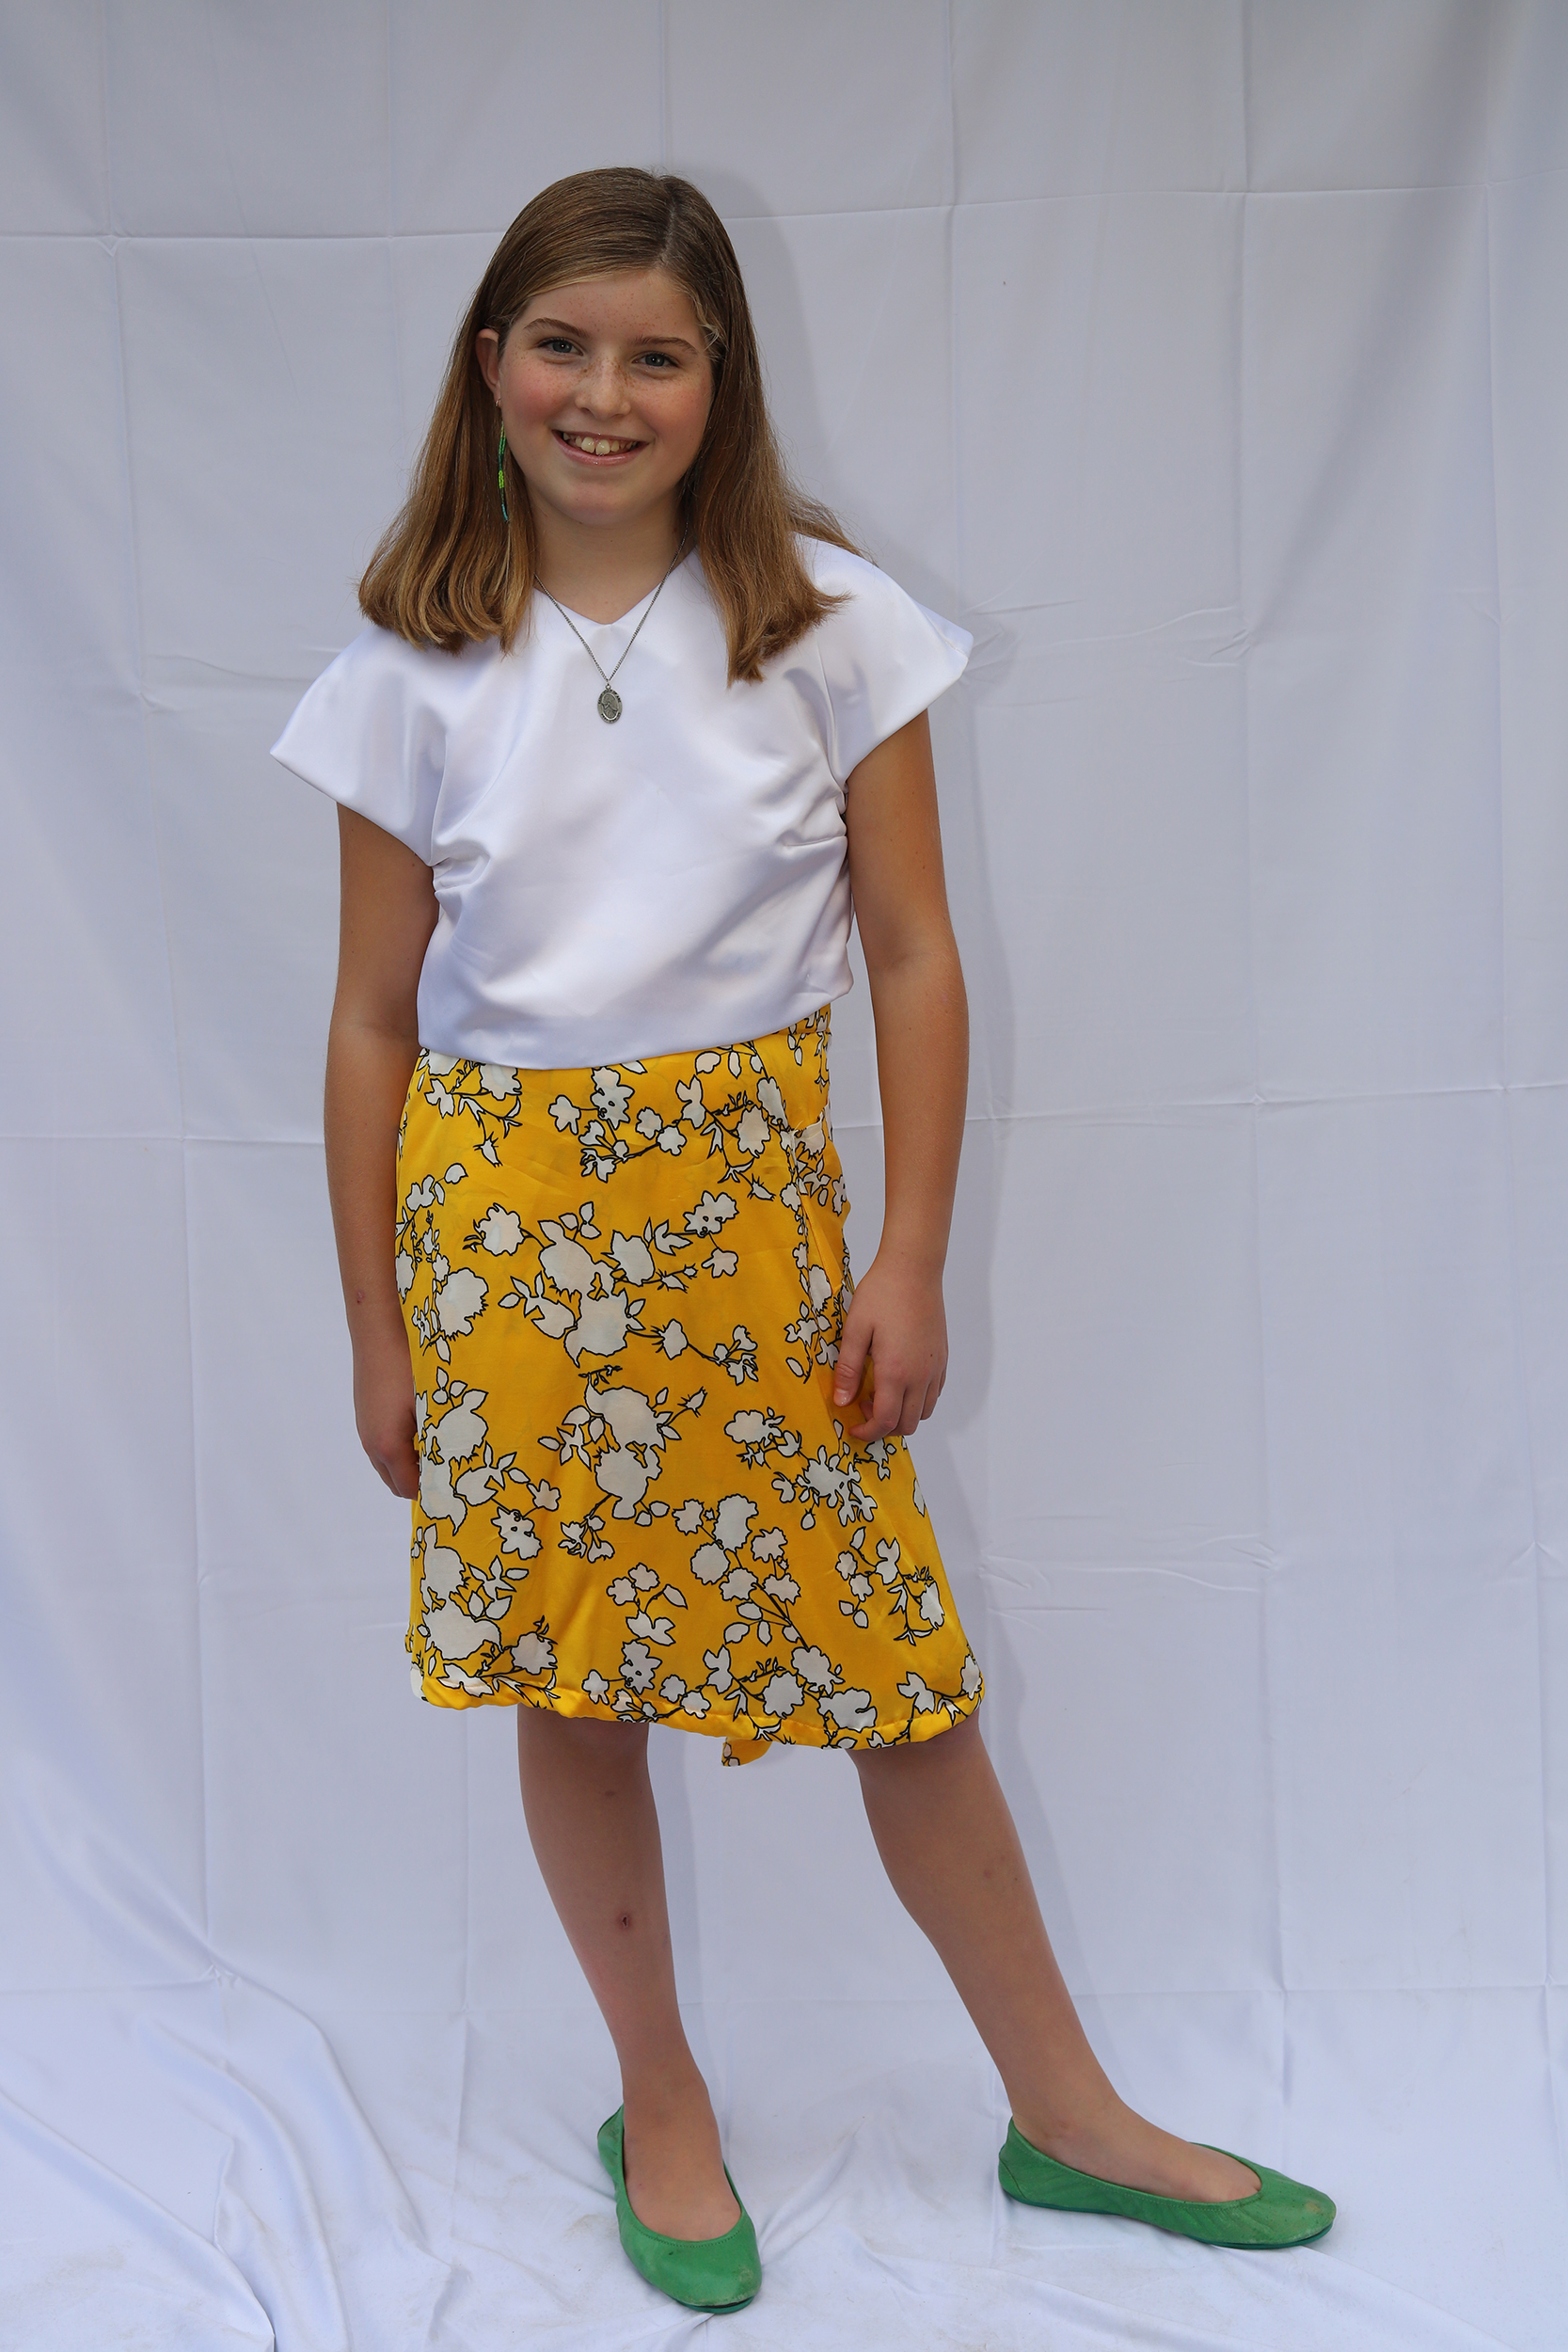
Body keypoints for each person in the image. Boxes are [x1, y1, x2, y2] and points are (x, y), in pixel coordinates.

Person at [272, 167, 1333, 2314]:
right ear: (490, 366)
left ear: (719, 382)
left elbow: (919, 957)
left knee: (899, 1683)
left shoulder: (830, 621)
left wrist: (912, 1247)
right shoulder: (410, 659)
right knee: (579, 1682)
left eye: (654, 352)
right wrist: (378, 1330)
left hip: (757, 1226)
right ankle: (658, 2093)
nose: (603, 391)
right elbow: (374, 1019)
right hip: (506, 1244)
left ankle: (1069, 2107)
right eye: (561, 344)